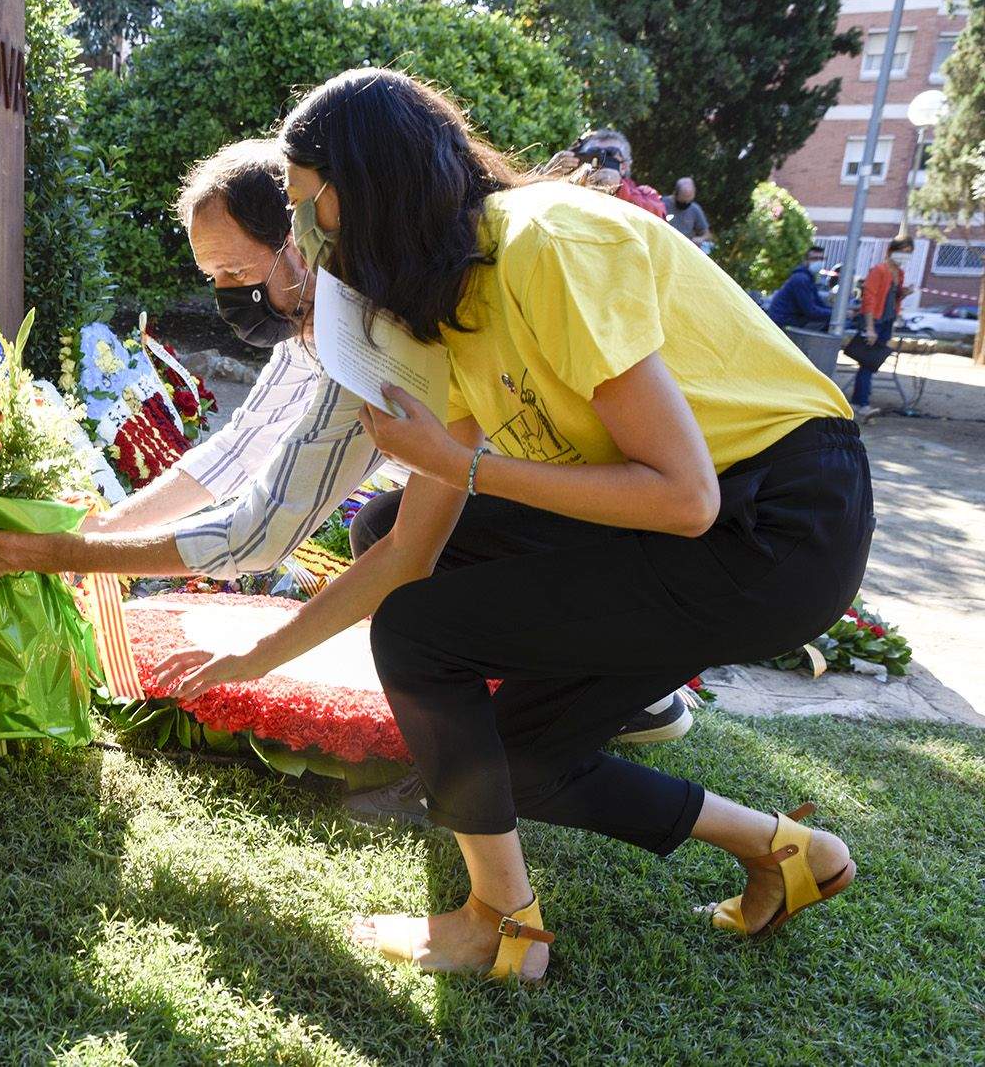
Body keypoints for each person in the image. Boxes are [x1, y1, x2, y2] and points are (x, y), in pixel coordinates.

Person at [152, 69, 867, 983]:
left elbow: (687, 496)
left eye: (306, 208)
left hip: (783, 524)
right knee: (511, 739)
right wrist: (261, 656)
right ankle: (788, 850)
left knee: (423, 635)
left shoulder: (542, 243)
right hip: (700, 528)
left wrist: (466, 466)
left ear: (371, 186)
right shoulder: (450, 302)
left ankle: (500, 923)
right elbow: (415, 545)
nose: (302, 241)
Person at [0, 138, 694, 825]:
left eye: (232, 272)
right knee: (383, 528)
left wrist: (70, 554)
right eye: (211, 278)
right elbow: (236, 452)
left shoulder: (364, 335)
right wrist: (103, 525)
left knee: (414, 600)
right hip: (534, 499)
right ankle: (567, 688)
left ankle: (590, 689)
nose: (224, 294)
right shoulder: (309, 321)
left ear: (293, 245)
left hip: (601, 515)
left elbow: (257, 533)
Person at [849, 237, 914, 416]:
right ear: (892, 250)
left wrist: (904, 293)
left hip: (887, 320)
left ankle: (859, 400)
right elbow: (869, 299)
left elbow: (892, 298)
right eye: (903, 251)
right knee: (867, 362)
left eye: (909, 252)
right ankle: (861, 402)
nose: (905, 255)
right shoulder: (879, 270)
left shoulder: (899, 273)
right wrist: (869, 328)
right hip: (874, 321)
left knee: (872, 361)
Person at [543, 128, 666, 219]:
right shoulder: (566, 187)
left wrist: (619, 190)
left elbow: (658, 218)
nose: (600, 161)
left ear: (624, 166)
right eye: (593, 153)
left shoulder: (646, 194)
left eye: (610, 154)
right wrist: (548, 176)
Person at [766, 246, 834, 330]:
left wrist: (837, 312)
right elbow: (811, 311)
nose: (819, 261)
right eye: (814, 258)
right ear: (806, 261)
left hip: (790, 320)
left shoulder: (808, 278)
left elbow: (819, 304)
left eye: (821, 259)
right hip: (784, 324)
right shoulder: (801, 279)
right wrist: (837, 314)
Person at [663, 177, 712, 248]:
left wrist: (701, 239)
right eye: (683, 202)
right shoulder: (662, 204)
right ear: (675, 193)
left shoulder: (695, 209)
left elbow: (707, 234)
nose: (686, 204)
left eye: (688, 201)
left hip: (684, 247)